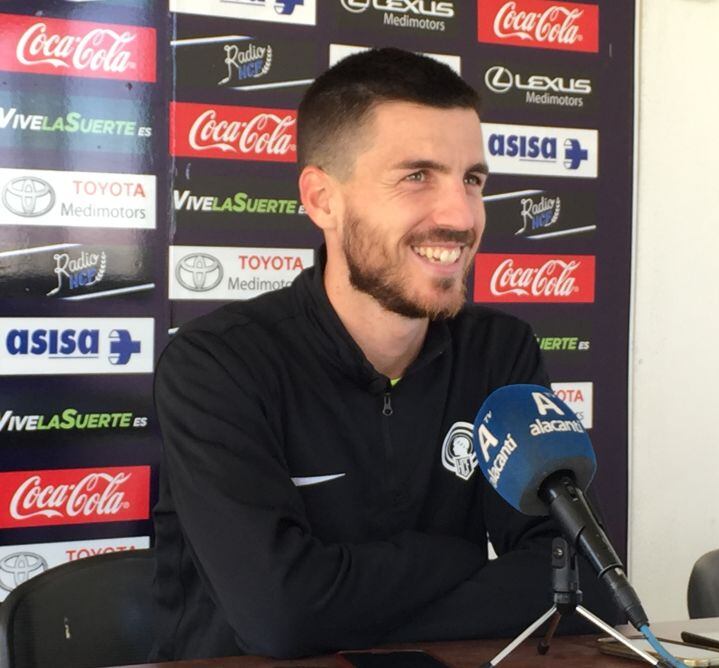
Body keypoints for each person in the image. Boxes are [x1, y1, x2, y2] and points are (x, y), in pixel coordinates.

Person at [151, 47, 618, 661]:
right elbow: (280, 618)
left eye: (472, 180)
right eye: (416, 176)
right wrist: (452, 558)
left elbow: (586, 588)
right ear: (322, 199)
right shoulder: (218, 365)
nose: (461, 215)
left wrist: (341, 596)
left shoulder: (500, 351)